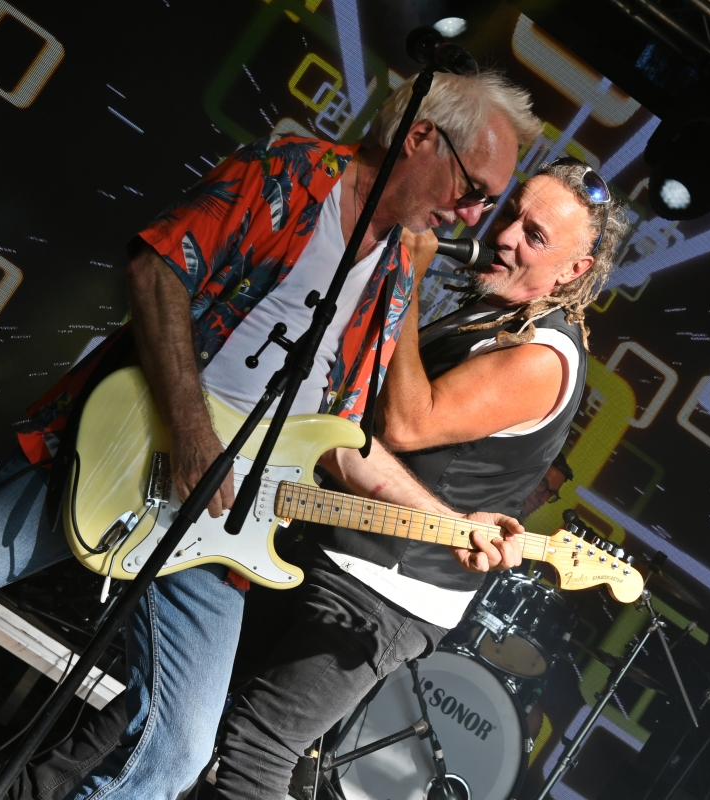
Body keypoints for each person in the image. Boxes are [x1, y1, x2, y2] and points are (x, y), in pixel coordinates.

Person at [0, 69, 540, 800]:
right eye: (474, 190)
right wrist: (191, 432)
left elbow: (338, 437)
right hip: (119, 448)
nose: (474, 216)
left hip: (218, 524)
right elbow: (157, 269)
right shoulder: (289, 176)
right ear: (419, 138)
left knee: (180, 750)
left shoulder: (398, 274)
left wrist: (449, 525)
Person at [210, 156, 629, 798]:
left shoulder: (545, 356)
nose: (504, 236)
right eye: (512, 215)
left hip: (382, 589)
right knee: (169, 702)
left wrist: (407, 277)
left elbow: (407, 424)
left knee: (255, 751)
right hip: (329, 539)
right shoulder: (492, 314)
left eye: (534, 235)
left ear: (574, 271)